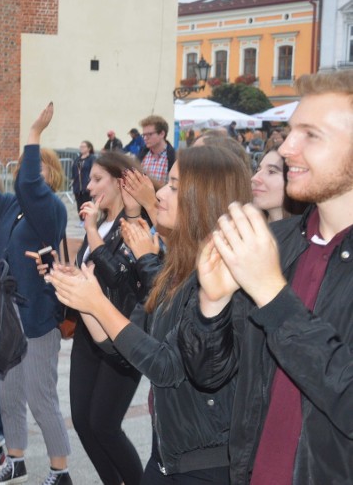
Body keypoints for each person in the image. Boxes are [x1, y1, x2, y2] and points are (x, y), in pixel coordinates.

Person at [178, 70, 353, 484]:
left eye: (311, 135)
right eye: (291, 131)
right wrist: (212, 307)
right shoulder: (273, 243)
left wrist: (273, 296)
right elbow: (210, 376)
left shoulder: (266, 267)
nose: (287, 147)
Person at [50, 145, 253, 484]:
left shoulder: (221, 275)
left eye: (173, 186)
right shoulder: (178, 267)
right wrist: (85, 299)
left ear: (202, 198)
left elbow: (167, 365)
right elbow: (123, 343)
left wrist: (98, 302)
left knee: (102, 424)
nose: (159, 195)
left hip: (205, 465)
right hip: (167, 455)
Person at [0, 103, 73, 485]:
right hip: (8, 317)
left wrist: (34, 134)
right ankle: (15, 459)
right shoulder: (11, 205)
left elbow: (30, 186)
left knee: (40, 396)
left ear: (51, 173)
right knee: (9, 392)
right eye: (23, 164)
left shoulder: (49, 208)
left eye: (35, 165)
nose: (26, 171)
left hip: (36, 318)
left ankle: (60, 468)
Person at [70, 151, 146, 485]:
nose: (89, 186)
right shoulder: (98, 221)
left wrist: (91, 231)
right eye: (89, 178)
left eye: (97, 178)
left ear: (120, 182)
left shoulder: (135, 224)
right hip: (88, 332)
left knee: (104, 424)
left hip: (121, 336)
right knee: (83, 423)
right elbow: (89, 273)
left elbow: (121, 281)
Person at [138, 116, 176, 187]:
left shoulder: (173, 158)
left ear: (162, 134)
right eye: (144, 135)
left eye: (149, 134)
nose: (145, 138)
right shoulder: (141, 156)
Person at [72, 141, 95, 209]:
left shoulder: (92, 158)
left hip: (87, 187)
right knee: (79, 208)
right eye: (80, 146)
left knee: (86, 207)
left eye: (83, 146)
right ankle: (81, 219)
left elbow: (93, 171)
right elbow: (74, 171)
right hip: (77, 187)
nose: (81, 148)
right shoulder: (77, 159)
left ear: (89, 148)